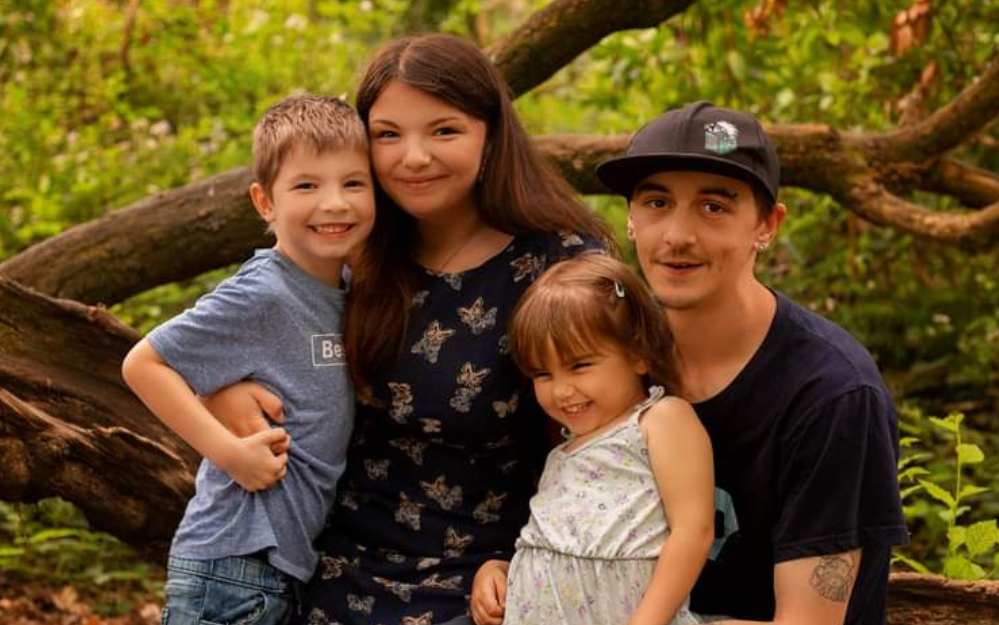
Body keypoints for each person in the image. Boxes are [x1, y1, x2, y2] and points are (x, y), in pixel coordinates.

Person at [203, 33, 613, 625]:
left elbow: (608, 440)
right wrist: (223, 390)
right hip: (321, 568)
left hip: (486, 579)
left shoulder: (559, 265)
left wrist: (527, 558)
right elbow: (233, 336)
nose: (413, 157)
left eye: (443, 131)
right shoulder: (347, 246)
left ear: (491, 133)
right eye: (388, 135)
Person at [473, 102, 910, 625]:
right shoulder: (597, 364)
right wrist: (515, 572)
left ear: (767, 224)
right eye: (657, 202)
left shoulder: (832, 394)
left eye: (714, 206)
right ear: (631, 219)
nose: (678, 235)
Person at [122, 94, 376, 625]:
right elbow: (144, 365)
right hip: (232, 569)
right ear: (265, 202)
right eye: (306, 186)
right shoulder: (263, 293)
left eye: (353, 183)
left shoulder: (346, 288)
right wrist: (230, 453)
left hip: (281, 569)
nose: (334, 203)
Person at [500, 253, 714, 625]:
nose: (561, 390)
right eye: (542, 374)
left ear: (639, 354)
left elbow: (693, 531)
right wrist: (499, 572)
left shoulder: (660, 420)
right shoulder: (562, 451)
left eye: (580, 365)